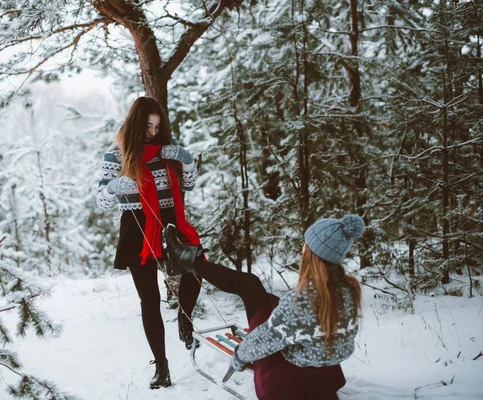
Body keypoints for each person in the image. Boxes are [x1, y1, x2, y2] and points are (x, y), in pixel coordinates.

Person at [165, 214, 364, 400]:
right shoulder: (347, 290)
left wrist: (239, 357)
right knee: (262, 294)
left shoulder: (304, 301)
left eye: (306, 244)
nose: (303, 247)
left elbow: (262, 341)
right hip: (322, 374)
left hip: (287, 381)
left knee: (249, 285)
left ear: (313, 254)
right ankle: (188, 260)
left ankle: (187, 260)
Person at [96, 96, 203, 389]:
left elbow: (189, 185)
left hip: (170, 222)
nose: (153, 133)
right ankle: (162, 366)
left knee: (197, 271)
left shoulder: (167, 152)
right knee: (150, 299)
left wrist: (187, 159)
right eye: (148, 126)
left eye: (158, 126)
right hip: (137, 227)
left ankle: (185, 316)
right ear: (134, 125)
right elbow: (101, 199)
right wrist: (115, 186)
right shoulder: (116, 156)